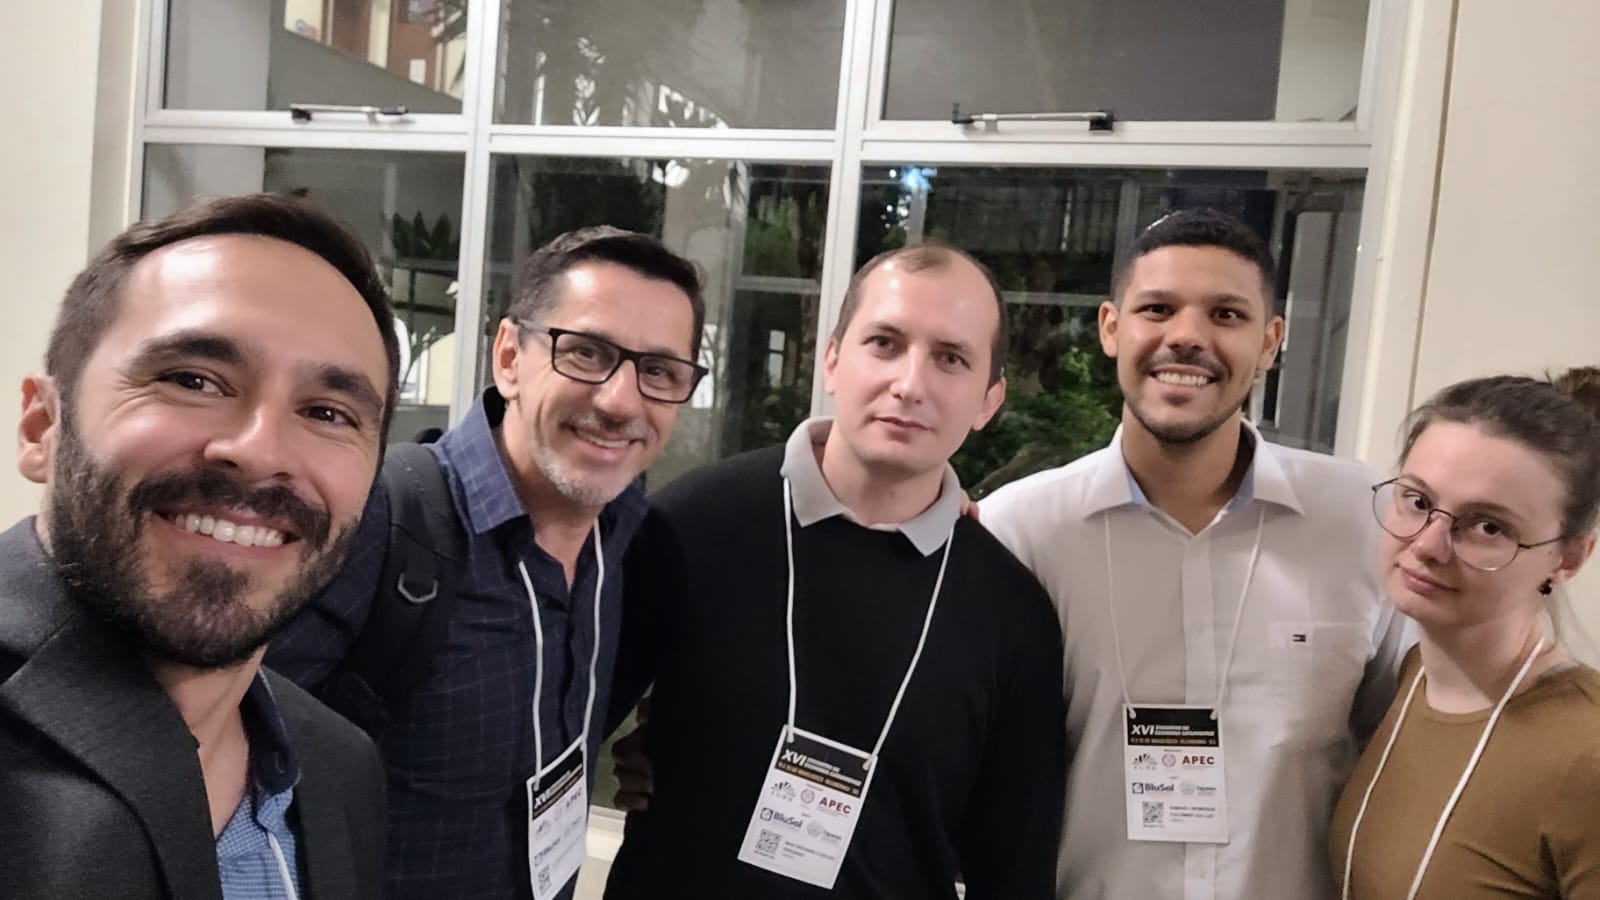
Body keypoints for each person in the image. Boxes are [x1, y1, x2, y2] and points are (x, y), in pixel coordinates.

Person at [602, 243, 1066, 899]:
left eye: (951, 358)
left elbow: (1014, 869)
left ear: (989, 400)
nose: (910, 384)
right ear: (833, 358)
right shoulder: (691, 524)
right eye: (885, 343)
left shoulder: (1010, 613)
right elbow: (558, 729)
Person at [979, 209, 1411, 898]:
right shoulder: (1021, 533)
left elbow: (1409, 747)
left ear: (1270, 343)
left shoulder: (1366, 519)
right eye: (1157, 309)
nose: (1187, 336)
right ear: (1111, 328)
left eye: (1226, 315)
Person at [266, 226, 706, 900]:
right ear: (509, 357)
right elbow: (213, 771)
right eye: (586, 352)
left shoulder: (625, 534)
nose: (620, 401)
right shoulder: (374, 526)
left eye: (659, 371)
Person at [0, 193, 399, 899]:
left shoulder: (339, 766)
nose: (261, 451)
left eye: (327, 412)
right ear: (42, 428)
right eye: (193, 380)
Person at [1331, 369, 1600, 899]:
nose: (1427, 545)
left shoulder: (1585, 753)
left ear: (1567, 558)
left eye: (1488, 526)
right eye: (1417, 501)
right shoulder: (1413, 679)